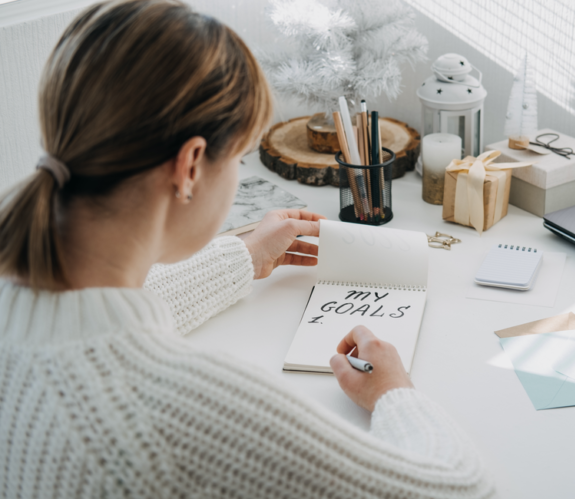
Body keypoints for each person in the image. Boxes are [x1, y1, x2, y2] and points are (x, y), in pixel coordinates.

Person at [0, 0, 494, 497]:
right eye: (239, 156)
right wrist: (394, 394)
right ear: (191, 166)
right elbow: (462, 490)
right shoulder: (178, 415)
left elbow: (96, 316)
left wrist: (244, 256)